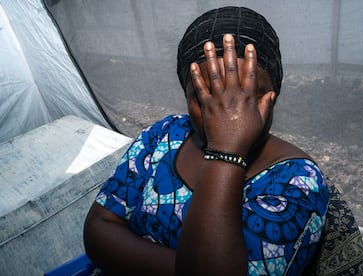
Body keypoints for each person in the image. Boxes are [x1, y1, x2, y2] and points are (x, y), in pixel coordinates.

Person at [83, 6, 330, 275]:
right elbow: (99, 227)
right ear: (186, 96)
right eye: (207, 96)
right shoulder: (165, 134)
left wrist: (226, 150)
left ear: (274, 93)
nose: (229, 113)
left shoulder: (298, 180)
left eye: (247, 96)